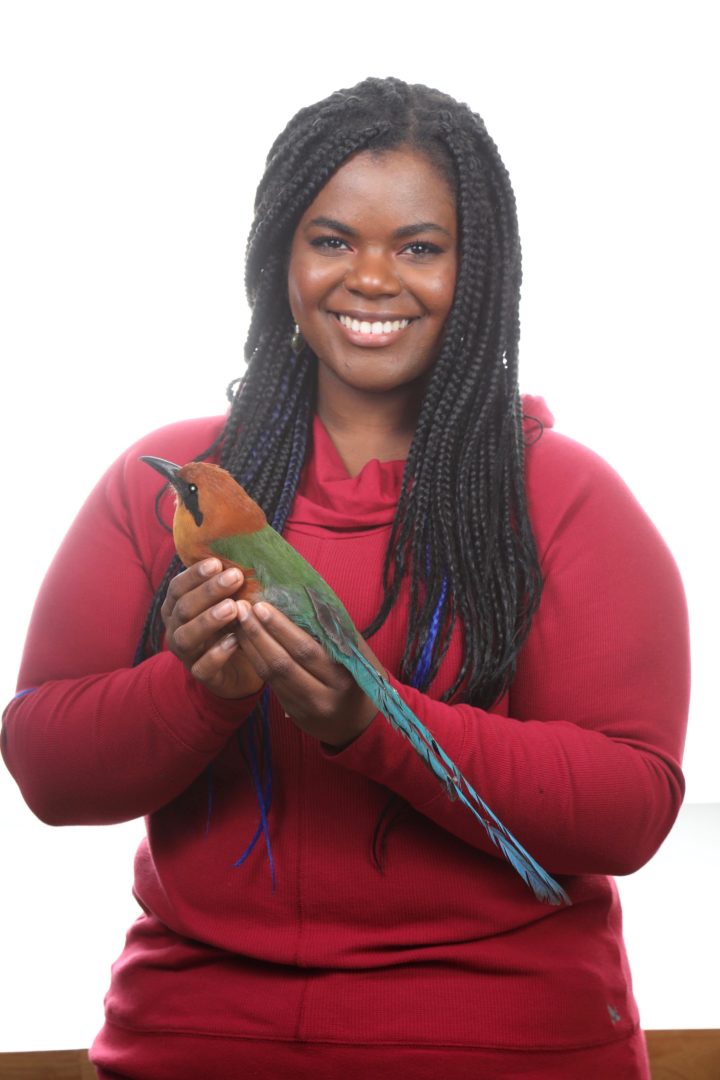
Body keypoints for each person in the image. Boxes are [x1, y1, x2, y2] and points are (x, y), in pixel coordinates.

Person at [1, 77, 689, 1079]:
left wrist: (367, 724)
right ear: (277, 258)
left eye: (420, 246)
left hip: (507, 1050)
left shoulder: (567, 494)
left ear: (479, 271)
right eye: (331, 240)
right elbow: (47, 766)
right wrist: (200, 688)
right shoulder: (170, 482)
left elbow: (629, 808)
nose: (372, 277)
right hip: (191, 1046)